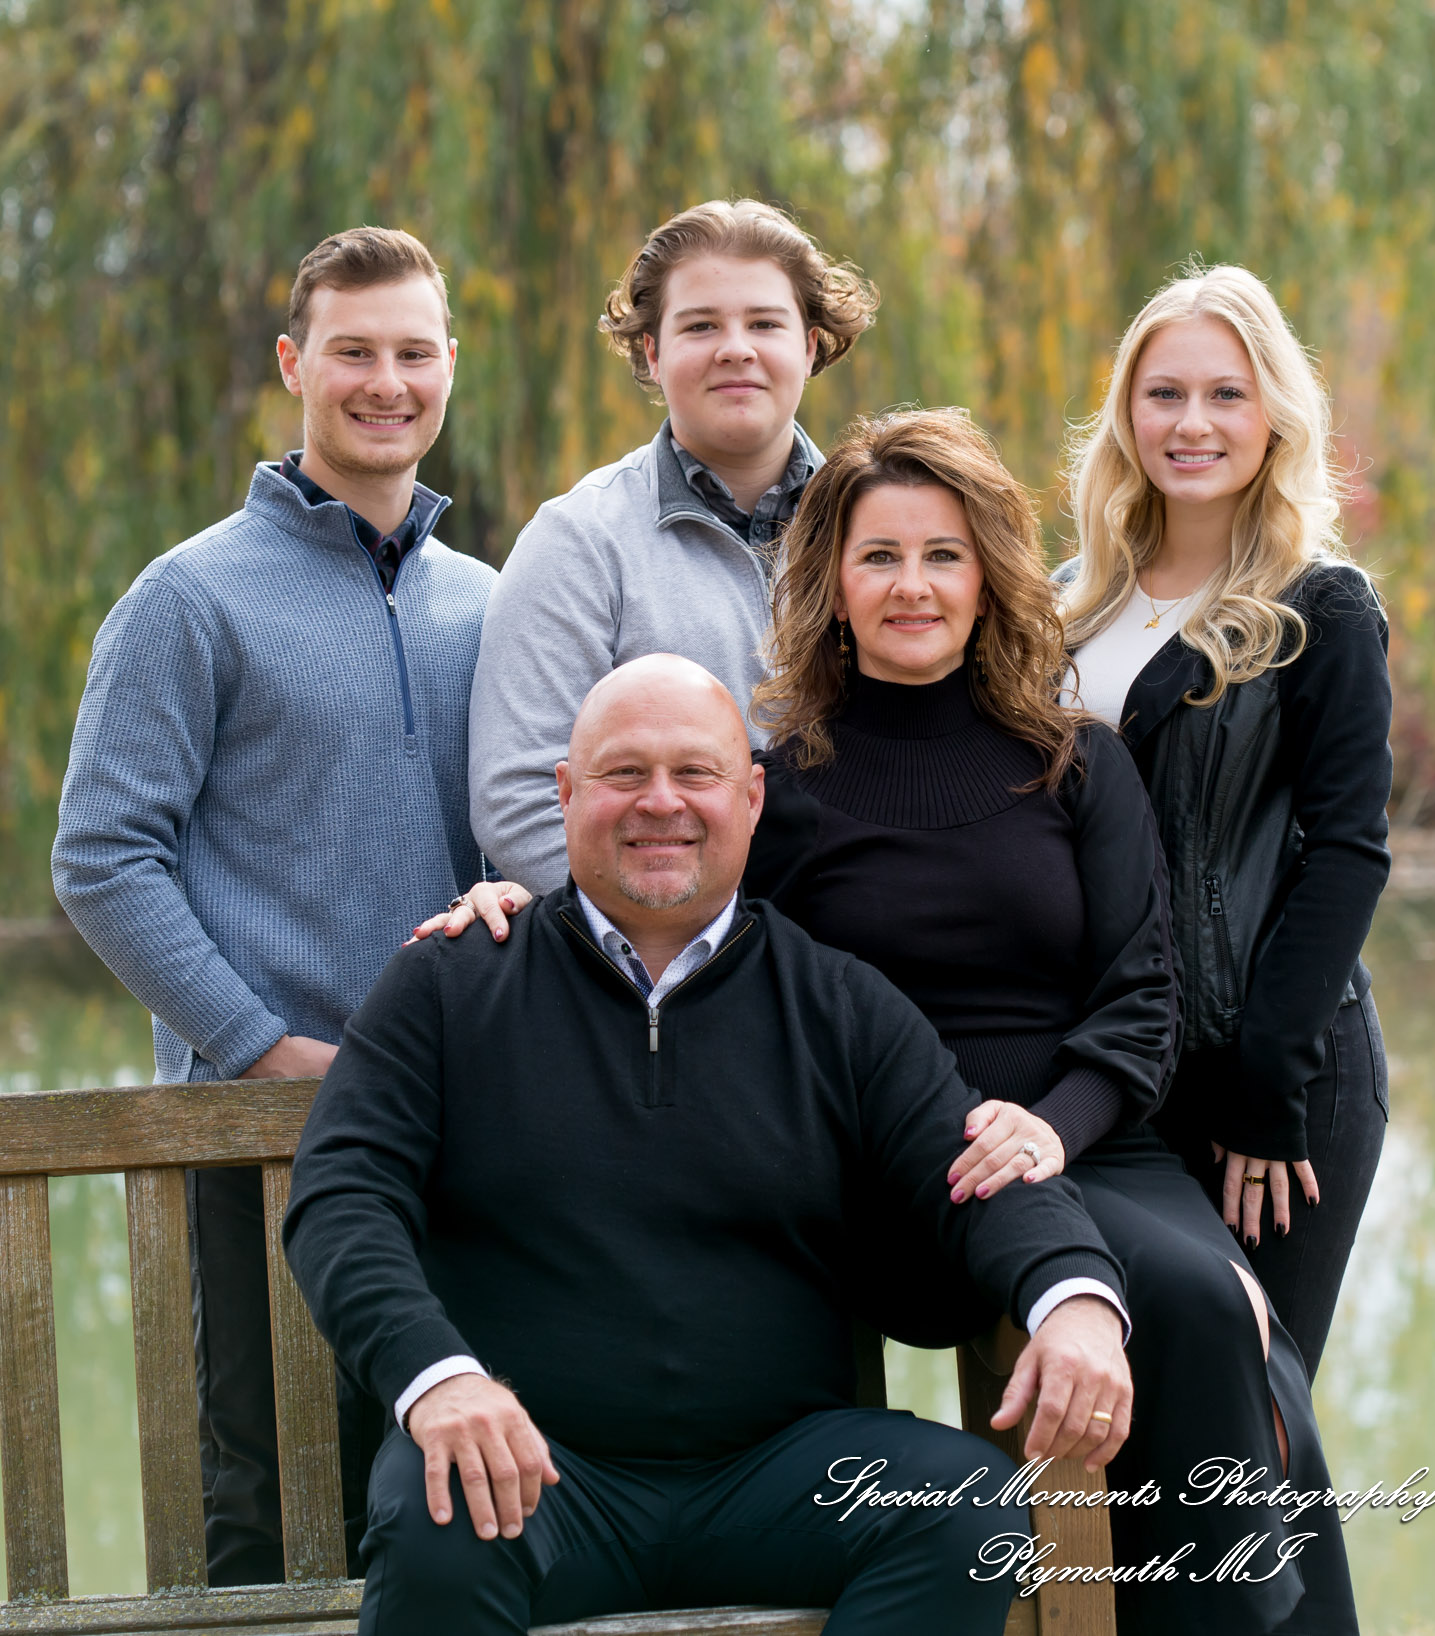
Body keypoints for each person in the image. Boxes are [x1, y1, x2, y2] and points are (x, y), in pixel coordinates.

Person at [435, 413, 1362, 1635]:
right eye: (880, 556)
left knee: (1205, 1303)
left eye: (943, 554)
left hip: (1076, 1142)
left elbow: (1144, 1003)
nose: (912, 585)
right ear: (831, 583)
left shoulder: (1076, 760)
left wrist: (1048, 1129)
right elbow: (666, 925)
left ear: (987, 576)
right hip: (878, 1169)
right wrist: (520, 908)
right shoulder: (787, 783)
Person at [283, 655, 1135, 1636]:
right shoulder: (450, 985)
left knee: (961, 1508)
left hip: (777, 1475)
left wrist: (1072, 1300)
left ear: (751, 796)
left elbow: (979, 1168)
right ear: (565, 793)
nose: (661, 804)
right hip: (535, 1476)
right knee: (438, 1509)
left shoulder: (837, 1001)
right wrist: (439, 1380)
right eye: (623, 773)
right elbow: (342, 1196)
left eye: (695, 773)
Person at [51, 227, 503, 1584]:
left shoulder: (486, 602)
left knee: (446, 1491)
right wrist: (262, 1046)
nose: (386, 380)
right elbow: (103, 859)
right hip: (260, 1135)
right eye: (354, 351)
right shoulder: (189, 598)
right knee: (263, 1508)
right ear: (296, 365)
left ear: (447, 370)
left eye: (413, 352)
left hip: (461, 1125)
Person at [1060, 264, 1392, 1380]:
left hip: (1270, 1072)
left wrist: (1266, 1089)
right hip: (1114, 1076)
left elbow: (1347, 853)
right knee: (1132, 1413)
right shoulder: (1070, 601)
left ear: (1275, 418)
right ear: (1126, 414)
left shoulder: (1320, 605)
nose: (1192, 423)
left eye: (1226, 395)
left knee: (1257, 1412)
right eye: (1164, 394)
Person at [467, 197, 879, 892]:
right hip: (668, 974)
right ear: (653, 353)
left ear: (809, 347)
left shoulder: (877, 528)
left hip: (871, 946)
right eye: (701, 325)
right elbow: (518, 798)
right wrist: (690, 951)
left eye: (764, 323)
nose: (736, 347)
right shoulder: (579, 543)